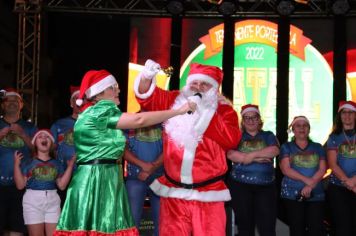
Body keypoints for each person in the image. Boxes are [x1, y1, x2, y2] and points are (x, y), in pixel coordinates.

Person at [54, 69, 193, 235]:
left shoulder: (90, 113)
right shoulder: (100, 110)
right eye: (113, 87)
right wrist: (178, 111)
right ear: (99, 94)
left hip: (102, 177)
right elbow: (139, 119)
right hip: (97, 179)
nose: (118, 90)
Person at [134, 59, 241, 236]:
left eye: (204, 84)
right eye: (194, 83)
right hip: (173, 194)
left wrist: (204, 114)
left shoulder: (224, 110)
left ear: (215, 89)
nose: (198, 87)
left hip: (208, 195)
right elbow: (148, 98)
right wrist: (146, 76)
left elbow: (232, 141)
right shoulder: (173, 101)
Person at [227, 104, 280, 236]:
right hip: (240, 187)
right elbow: (231, 155)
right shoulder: (237, 136)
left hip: (266, 188)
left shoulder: (268, 135)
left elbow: (274, 150)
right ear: (243, 121)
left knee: (267, 228)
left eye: (254, 117)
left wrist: (249, 156)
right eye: (247, 118)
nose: (250, 121)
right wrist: (258, 158)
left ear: (259, 119)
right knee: (245, 228)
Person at [13, 129, 75, 236]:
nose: (44, 138)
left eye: (47, 137)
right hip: (32, 202)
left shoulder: (57, 163)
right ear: (35, 142)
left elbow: (62, 185)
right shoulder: (28, 162)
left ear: (51, 143)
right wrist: (16, 165)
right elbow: (20, 185)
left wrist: (70, 166)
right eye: (40, 136)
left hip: (53, 201)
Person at [279, 116, 327, 236]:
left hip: (316, 194)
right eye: (298, 125)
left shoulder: (318, 147)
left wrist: (310, 186)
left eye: (305, 125)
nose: (302, 128)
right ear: (293, 129)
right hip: (292, 195)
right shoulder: (286, 147)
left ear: (309, 129)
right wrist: (308, 181)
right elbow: (286, 169)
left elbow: (323, 169)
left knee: (316, 230)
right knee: (297, 230)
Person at [0, 88, 37, 236]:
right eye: (9, 100)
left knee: (18, 228)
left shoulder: (29, 127)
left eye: (17, 100)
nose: (13, 103)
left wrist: (23, 135)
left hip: (22, 185)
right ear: (3, 105)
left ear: (22, 105)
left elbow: (39, 151)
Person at [124, 122, 164, 236]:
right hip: (136, 178)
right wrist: (145, 166)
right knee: (131, 224)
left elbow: (170, 148)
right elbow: (122, 149)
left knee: (162, 226)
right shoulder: (130, 120)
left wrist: (153, 167)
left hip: (160, 179)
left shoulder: (165, 122)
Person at [326, 100, 356, 236]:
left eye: (351, 112)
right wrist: (348, 182)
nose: (347, 115)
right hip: (338, 188)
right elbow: (332, 164)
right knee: (343, 228)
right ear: (340, 116)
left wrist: (354, 181)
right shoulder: (334, 137)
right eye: (344, 112)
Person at [50, 86, 80, 207]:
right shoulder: (59, 124)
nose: (79, 102)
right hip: (62, 174)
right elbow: (49, 149)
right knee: (63, 209)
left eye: (82, 99)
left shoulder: (92, 125)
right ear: (71, 103)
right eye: (76, 99)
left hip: (86, 175)